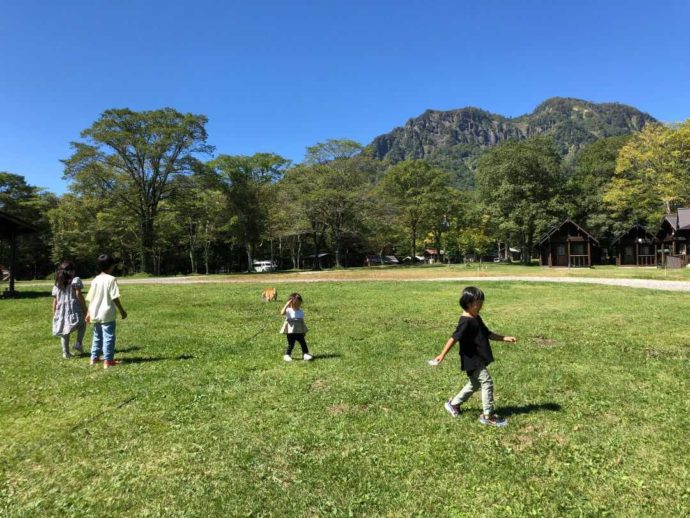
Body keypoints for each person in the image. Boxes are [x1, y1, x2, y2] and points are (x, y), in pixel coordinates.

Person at [433, 286, 517, 427]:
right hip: (472, 358)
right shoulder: (465, 321)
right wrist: (442, 355)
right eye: (478, 303)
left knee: (475, 383)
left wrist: (504, 338)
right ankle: (488, 416)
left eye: (481, 302)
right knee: (487, 382)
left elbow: (487, 333)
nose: (481, 306)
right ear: (469, 303)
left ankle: (453, 404)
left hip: (478, 357)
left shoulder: (476, 316)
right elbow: (454, 338)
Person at [85, 254, 127, 369]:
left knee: (97, 336)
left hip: (95, 312)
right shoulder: (111, 279)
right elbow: (114, 297)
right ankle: (108, 361)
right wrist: (122, 311)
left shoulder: (95, 279)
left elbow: (90, 297)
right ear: (112, 266)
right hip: (106, 313)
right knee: (108, 337)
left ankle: (94, 358)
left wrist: (88, 313)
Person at [51, 261, 87, 358]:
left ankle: (65, 353)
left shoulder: (57, 283)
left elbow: (55, 301)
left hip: (61, 311)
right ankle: (78, 343)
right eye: (73, 270)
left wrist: (55, 314)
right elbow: (79, 295)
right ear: (71, 271)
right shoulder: (75, 280)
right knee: (82, 324)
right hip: (74, 308)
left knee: (64, 331)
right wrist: (85, 309)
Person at [280, 292, 312, 362]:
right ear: (291, 303)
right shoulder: (288, 310)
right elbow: (282, 313)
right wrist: (287, 304)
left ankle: (305, 354)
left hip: (299, 331)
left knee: (303, 343)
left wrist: (303, 331)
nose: (298, 305)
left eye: (299, 304)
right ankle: (287, 355)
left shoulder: (300, 312)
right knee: (291, 344)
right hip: (291, 331)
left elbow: (301, 322)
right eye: (296, 304)